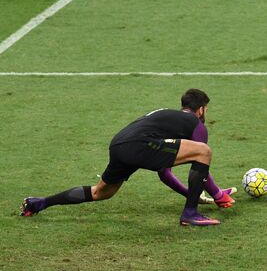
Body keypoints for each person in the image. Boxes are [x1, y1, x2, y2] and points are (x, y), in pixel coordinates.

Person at [20, 89, 234, 226]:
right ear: (201, 109)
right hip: (139, 145)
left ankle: (39, 203)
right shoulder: (195, 125)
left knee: (101, 192)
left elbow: (164, 173)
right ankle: (190, 213)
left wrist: (191, 194)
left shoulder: (167, 120)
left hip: (120, 144)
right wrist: (216, 194)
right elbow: (201, 157)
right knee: (204, 151)